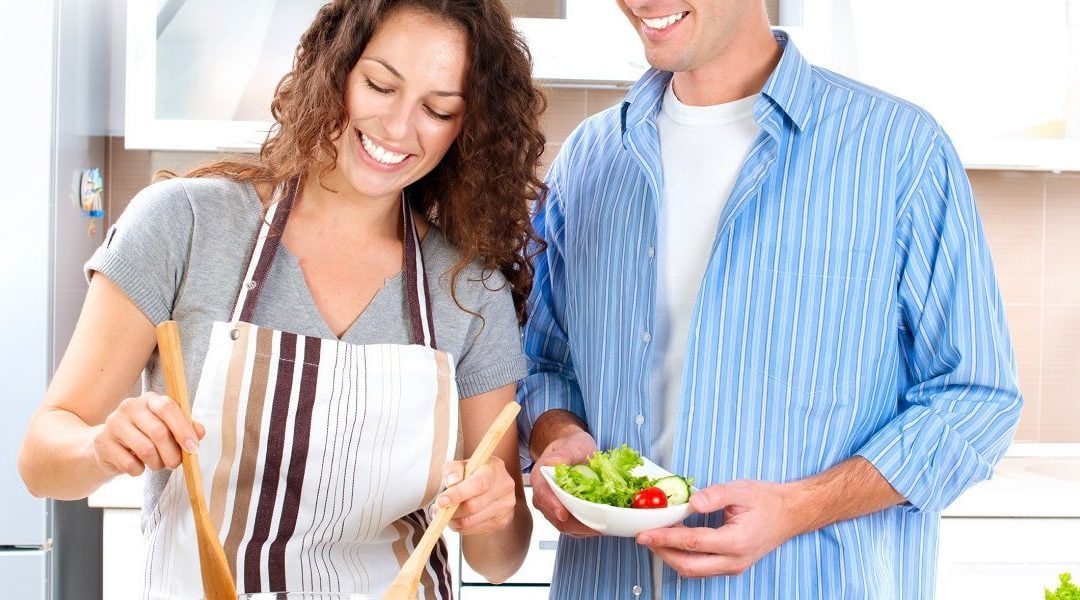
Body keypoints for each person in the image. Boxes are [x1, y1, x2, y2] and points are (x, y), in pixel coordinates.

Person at [18, 0, 547, 597]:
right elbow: (42, 461)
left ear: (465, 128)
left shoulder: (469, 289)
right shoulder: (183, 226)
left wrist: (497, 511)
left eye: (437, 109)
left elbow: (500, 561)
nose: (400, 127)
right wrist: (99, 445)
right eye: (379, 85)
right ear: (337, 69)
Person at [518, 0, 1023, 598]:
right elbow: (545, 363)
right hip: (606, 581)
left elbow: (976, 398)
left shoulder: (897, 151)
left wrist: (800, 507)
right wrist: (557, 437)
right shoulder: (589, 159)